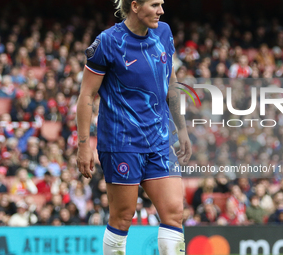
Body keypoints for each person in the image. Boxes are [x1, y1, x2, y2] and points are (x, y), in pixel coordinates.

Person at [76, 0, 191, 254]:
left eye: (162, 4)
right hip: (121, 143)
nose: (161, 10)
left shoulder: (164, 32)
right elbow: (86, 96)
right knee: (122, 218)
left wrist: (181, 130)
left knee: (174, 212)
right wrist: (84, 145)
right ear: (135, 6)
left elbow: (171, 84)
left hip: (160, 140)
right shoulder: (107, 42)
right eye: (155, 5)